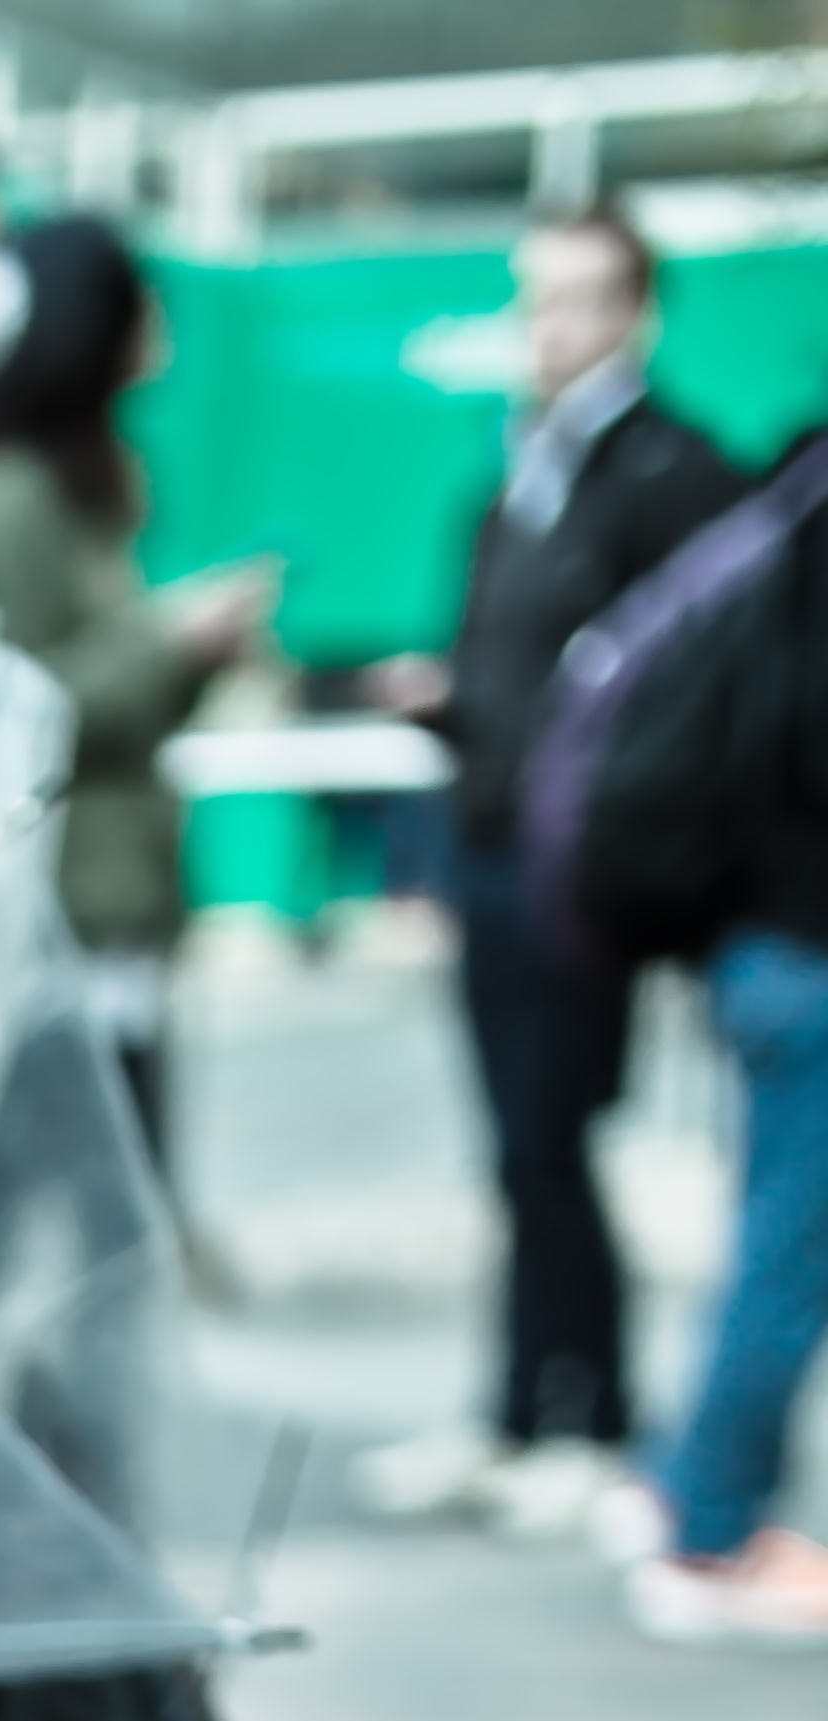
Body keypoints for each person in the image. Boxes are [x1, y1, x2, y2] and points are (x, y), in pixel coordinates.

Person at [358, 204, 737, 1532]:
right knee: (519, 1146)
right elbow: (516, 669)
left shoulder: (674, 477)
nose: (551, 329)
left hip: (585, 868)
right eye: (535, 300)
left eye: (577, 300)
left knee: (558, 1133)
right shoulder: (516, 470)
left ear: (632, 312)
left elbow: (677, 687)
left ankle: (594, 1417)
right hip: (491, 845)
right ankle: (520, 1408)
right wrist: (452, 704)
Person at [0, 215, 275, 1169]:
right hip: (53, 928)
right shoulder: (2, 502)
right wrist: (164, 645)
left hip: (108, 918)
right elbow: (15, 706)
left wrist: (181, 656)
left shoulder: (80, 491)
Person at [619, 445, 828, 1639]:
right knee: (785, 1257)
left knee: (769, 1239)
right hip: (808, 949)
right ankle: (711, 1534)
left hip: (759, 943)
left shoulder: (789, 507)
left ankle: (688, 1485)